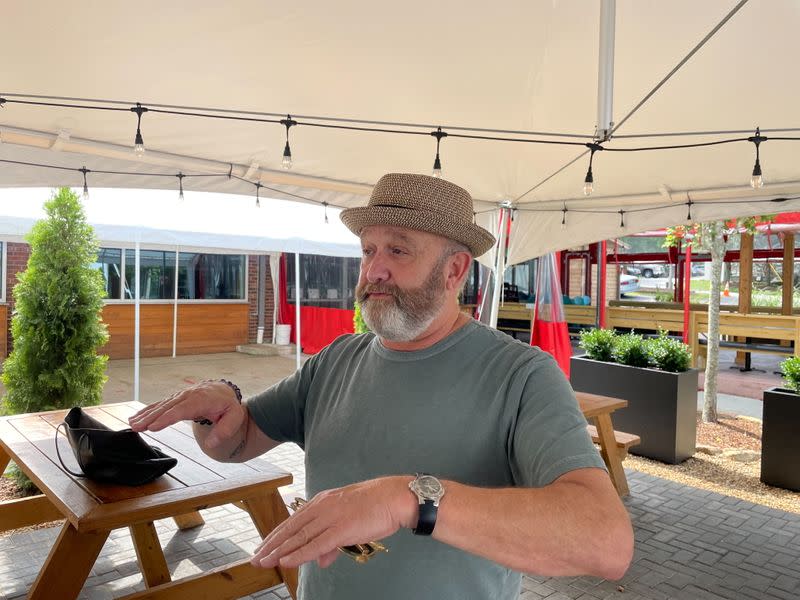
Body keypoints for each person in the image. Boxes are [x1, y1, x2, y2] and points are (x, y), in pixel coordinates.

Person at [129, 173, 633, 600]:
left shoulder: (522, 375)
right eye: (368, 250)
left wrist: (409, 499)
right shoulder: (335, 360)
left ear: (455, 269)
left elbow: (605, 541)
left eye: (398, 250)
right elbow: (235, 442)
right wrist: (216, 408)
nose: (373, 270)